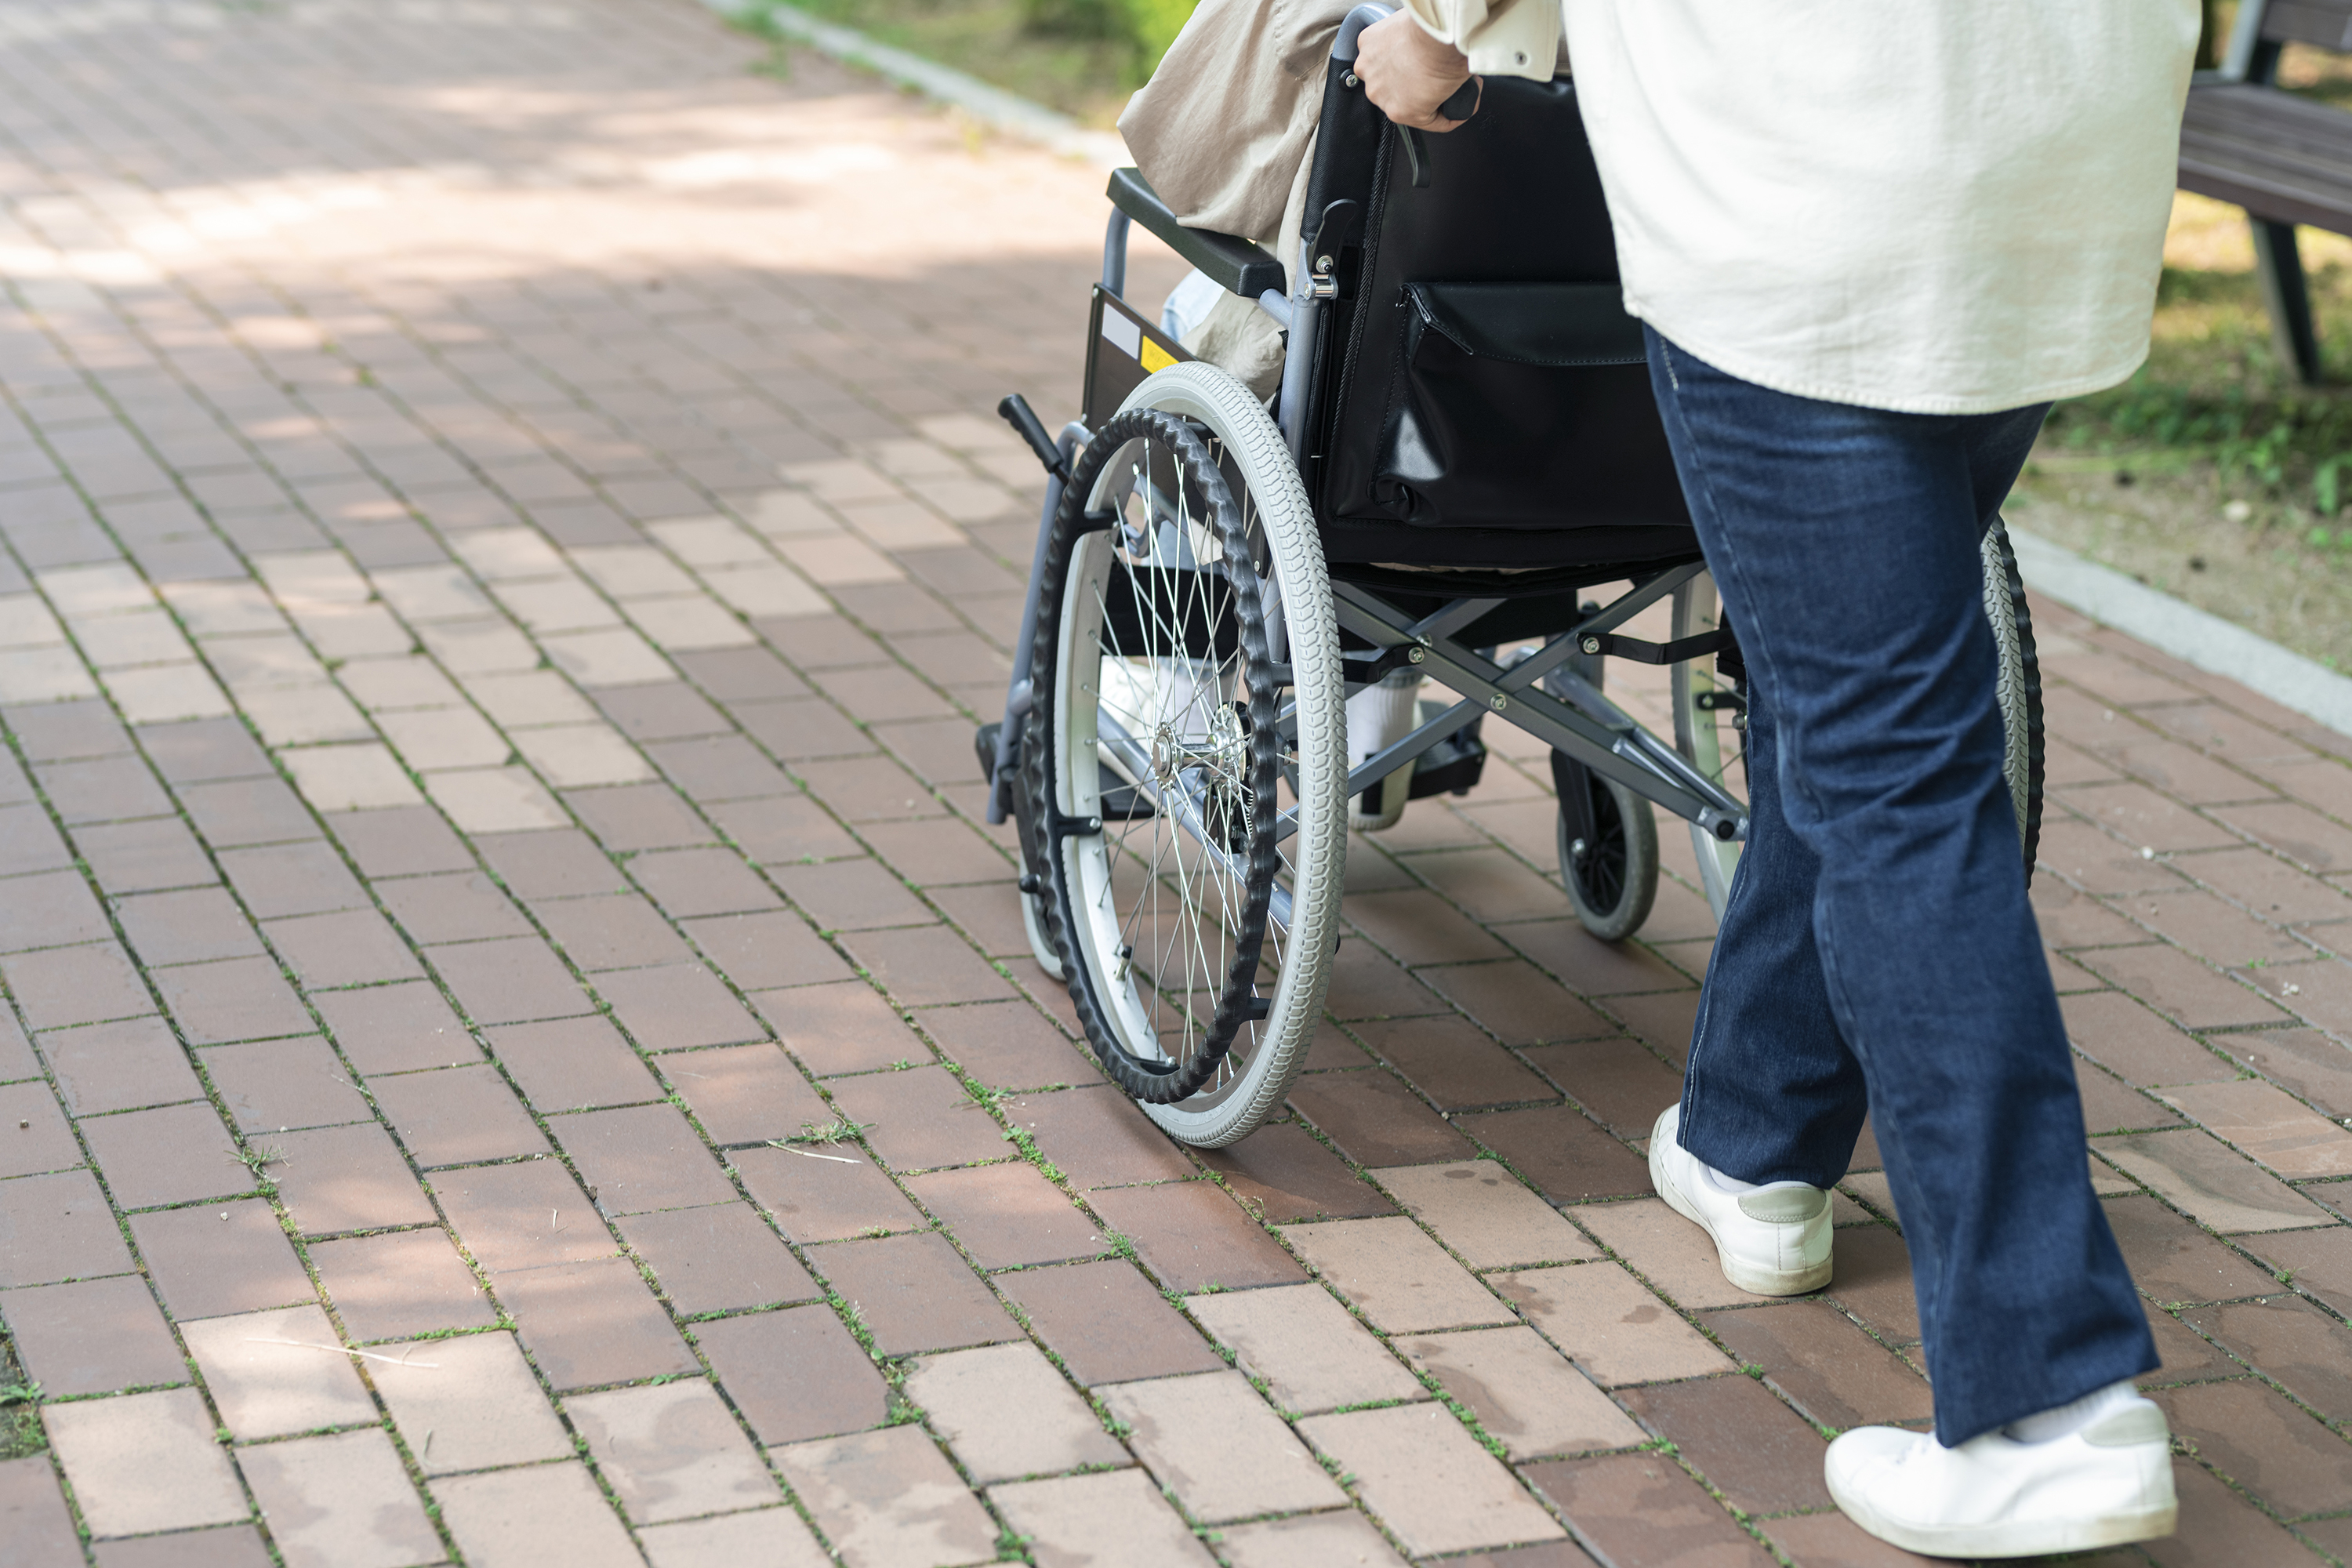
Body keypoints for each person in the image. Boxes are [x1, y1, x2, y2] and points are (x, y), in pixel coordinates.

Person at [1356, 1, 2198, 1558]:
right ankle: (1755, 1137)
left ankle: (2046, 1400)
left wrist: (1440, 26)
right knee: (1861, 696)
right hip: (2051, 163)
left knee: (1896, 771)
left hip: (1807, 176)